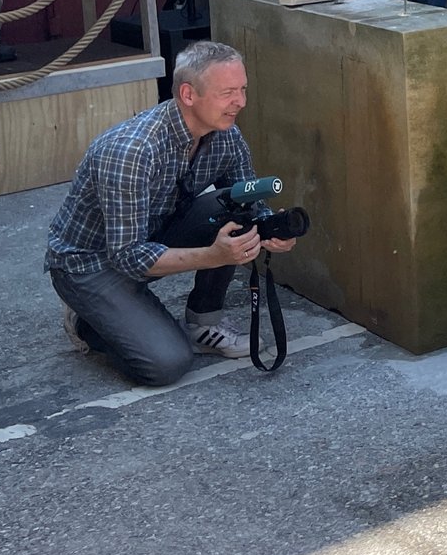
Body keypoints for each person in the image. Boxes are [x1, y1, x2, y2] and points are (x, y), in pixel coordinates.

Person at [46, 42, 296, 385]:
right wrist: (212, 256)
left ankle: (203, 323)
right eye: (227, 93)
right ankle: (87, 320)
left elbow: (247, 196)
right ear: (188, 94)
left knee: (230, 206)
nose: (241, 102)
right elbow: (127, 257)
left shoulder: (225, 134)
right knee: (167, 364)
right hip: (90, 265)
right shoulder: (132, 151)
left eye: (242, 89)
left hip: (151, 235)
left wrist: (269, 227)